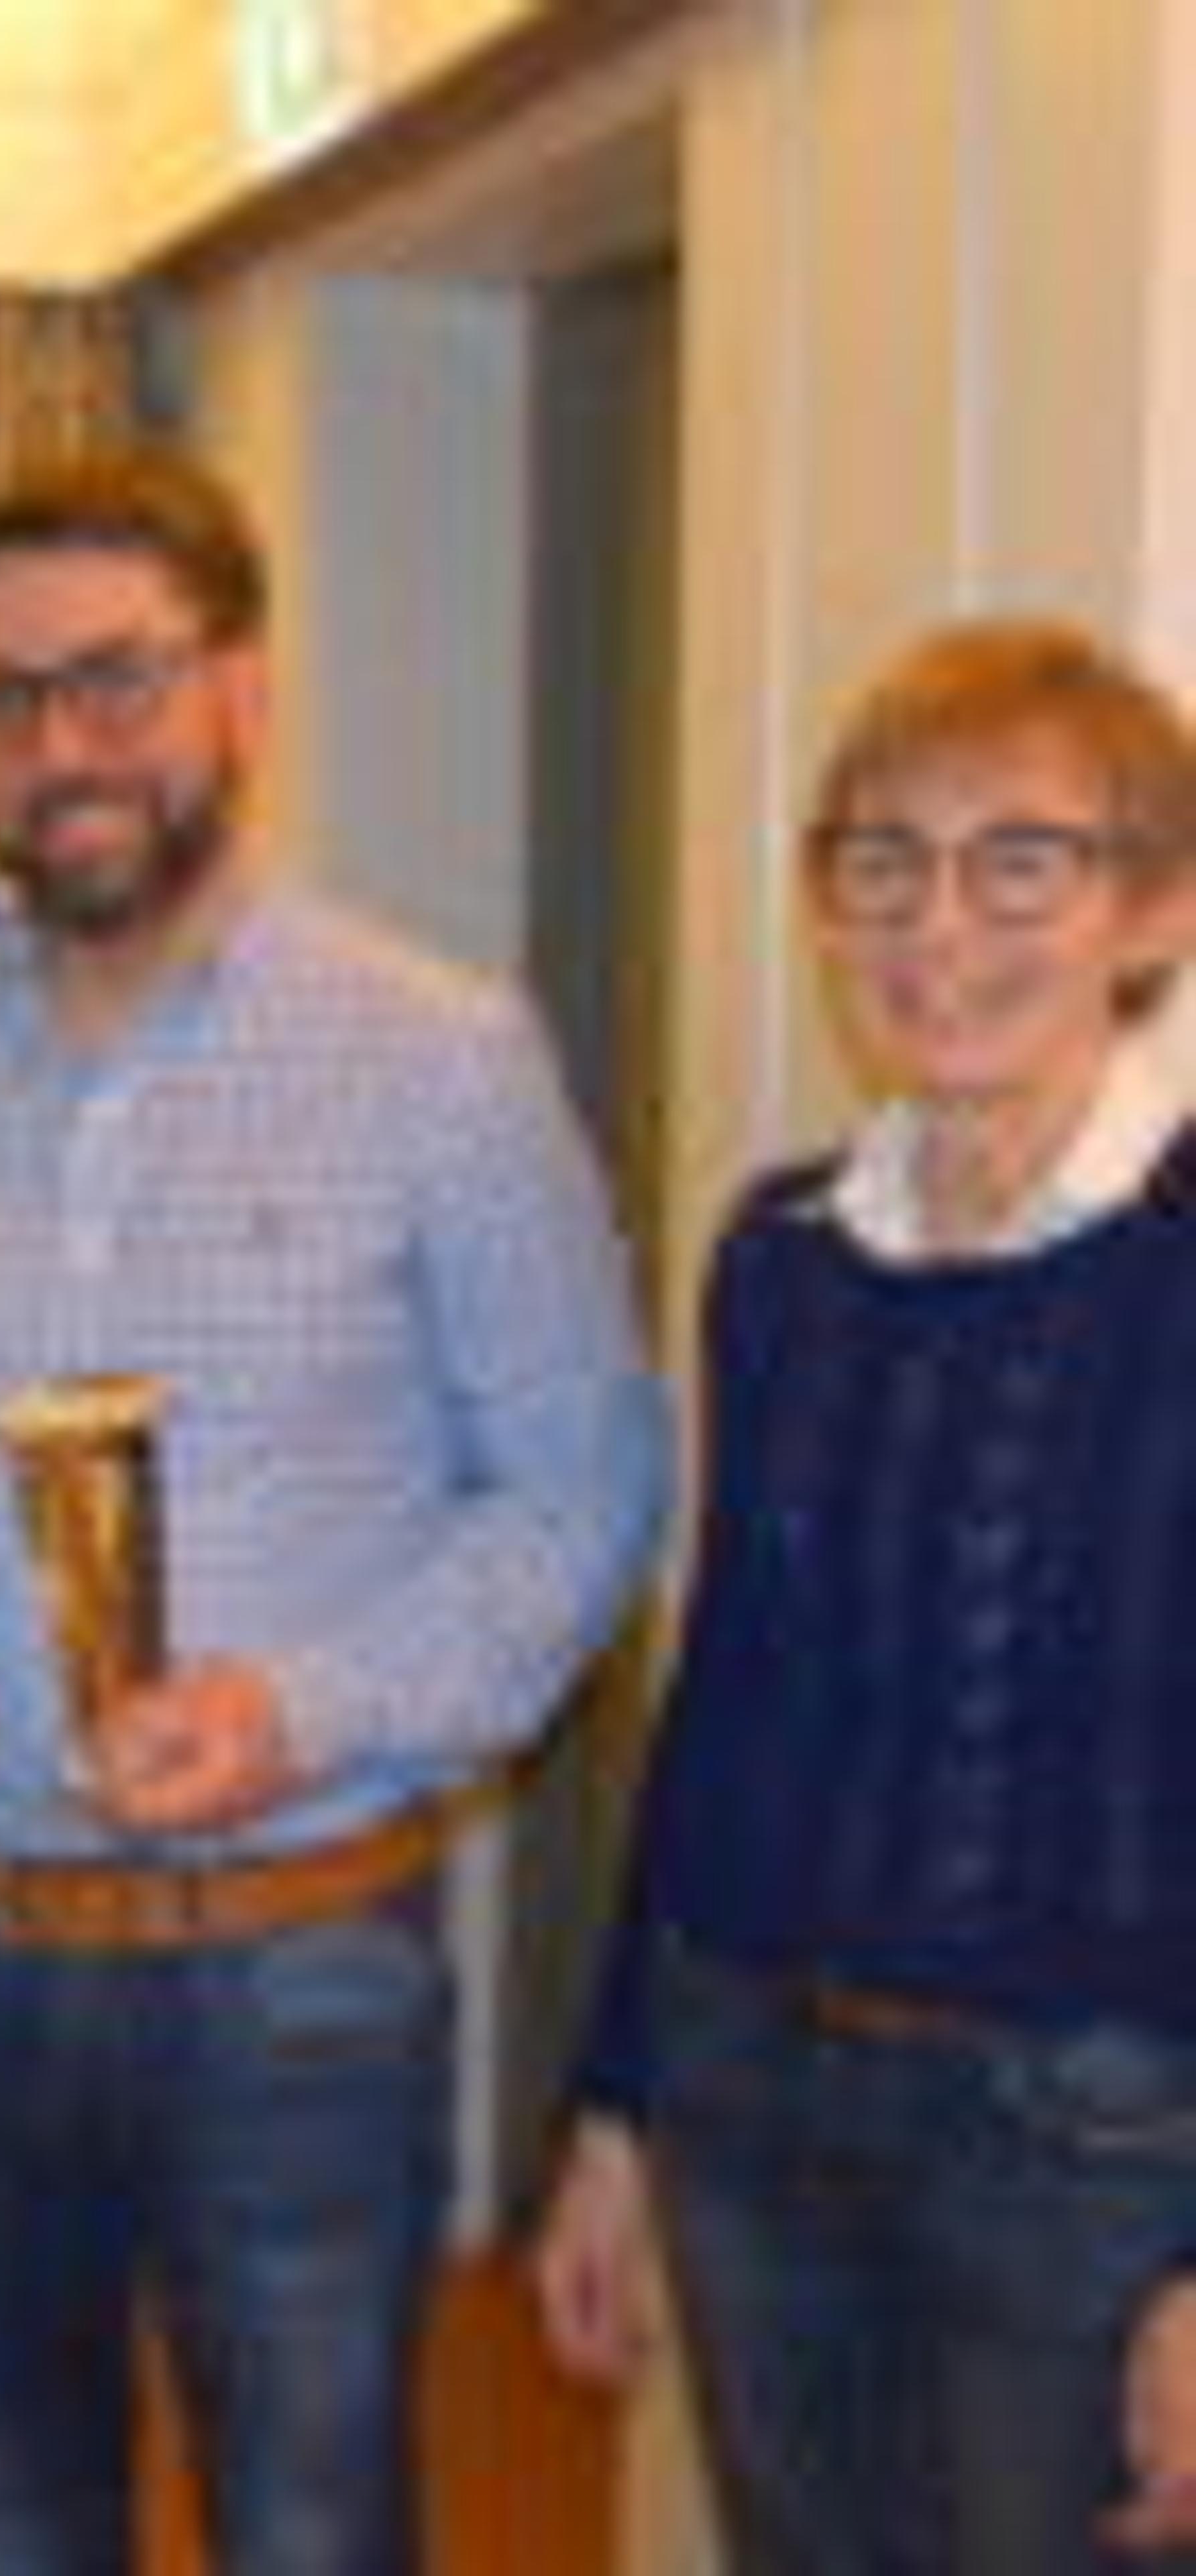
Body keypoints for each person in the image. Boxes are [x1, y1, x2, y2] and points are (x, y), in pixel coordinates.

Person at [0, 443, 668, 2576]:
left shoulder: (443, 1056)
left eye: (119, 679)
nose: (64, 747)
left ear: (239, 688)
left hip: (295, 1968)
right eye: (6, 696)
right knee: (4, 2518)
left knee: (312, 2532)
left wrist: (300, 1709)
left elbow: (585, 1489)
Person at [532, 619, 1196, 2572]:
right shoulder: (782, 1256)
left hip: (1094, 2145)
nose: (939, 925)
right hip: (748, 2085)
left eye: (1022, 862)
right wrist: (619, 2112)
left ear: (1154, 913)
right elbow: (727, 1690)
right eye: (883, 861)